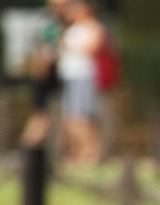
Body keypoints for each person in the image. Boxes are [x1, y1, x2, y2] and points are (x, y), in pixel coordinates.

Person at [56, 0, 105, 165]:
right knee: (70, 117)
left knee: (81, 116)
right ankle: (79, 151)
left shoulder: (92, 27)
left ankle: (90, 151)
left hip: (82, 76)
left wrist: (68, 45)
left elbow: (92, 48)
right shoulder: (71, 28)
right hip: (69, 76)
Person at [18, 0, 70, 148]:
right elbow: (40, 49)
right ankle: (28, 148)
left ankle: (51, 152)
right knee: (41, 115)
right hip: (45, 74)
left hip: (56, 73)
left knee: (56, 116)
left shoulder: (62, 22)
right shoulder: (45, 23)